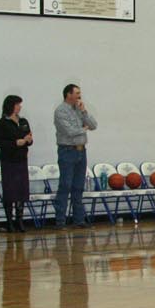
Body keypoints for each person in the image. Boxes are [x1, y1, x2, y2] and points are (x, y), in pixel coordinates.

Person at [53, 82, 99, 227]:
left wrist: (84, 112)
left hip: (81, 151)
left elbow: (93, 125)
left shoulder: (79, 109)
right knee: (65, 185)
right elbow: (69, 131)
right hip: (67, 151)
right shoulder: (60, 111)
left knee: (78, 186)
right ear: (69, 94)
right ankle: (60, 220)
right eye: (77, 93)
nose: (80, 96)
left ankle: (79, 219)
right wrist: (83, 129)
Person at [0, 94, 34, 232]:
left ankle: (20, 219)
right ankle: (9, 221)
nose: (20, 107)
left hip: (22, 159)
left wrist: (28, 139)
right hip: (8, 160)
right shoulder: (1, 123)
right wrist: (15, 143)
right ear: (11, 106)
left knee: (21, 191)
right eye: (17, 104)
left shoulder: (23, 121)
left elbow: (30, 137)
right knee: (10, 190)